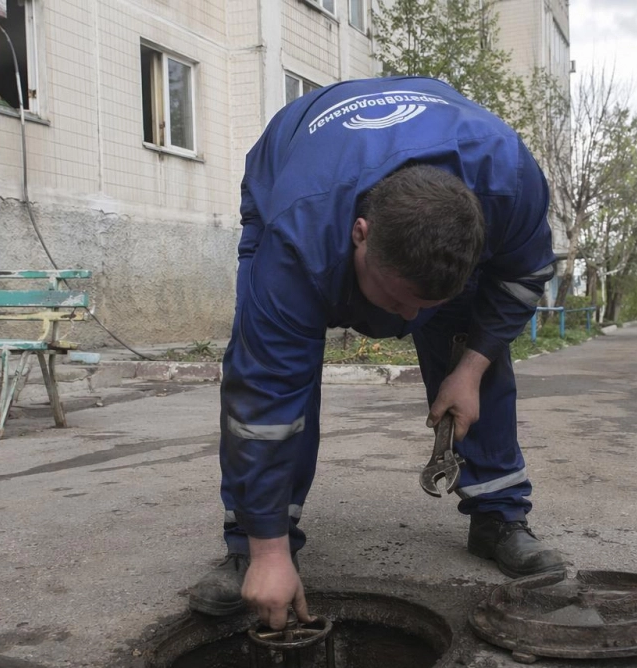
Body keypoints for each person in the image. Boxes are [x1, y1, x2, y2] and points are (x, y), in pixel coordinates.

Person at [187, 76, 567, 629]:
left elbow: (524, 275)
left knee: (469, 338)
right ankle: (254, 544)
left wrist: (470, 364)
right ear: (359, 234)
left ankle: (499, 516)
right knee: (273, 361)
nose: (407, 324)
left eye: (424, 306)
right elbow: (263, 393)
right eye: (396, 300)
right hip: (295, 167)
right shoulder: (299, 236)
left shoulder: (509, 183)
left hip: (439, 187)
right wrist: (268, 552)